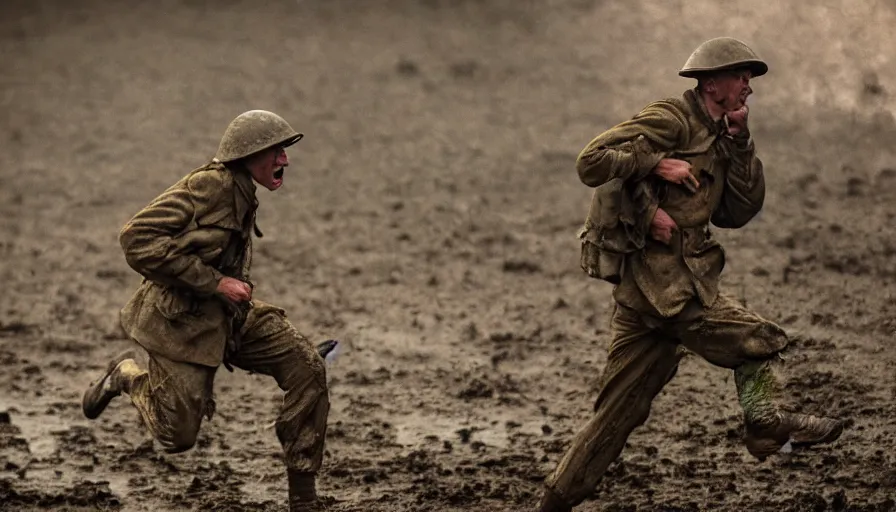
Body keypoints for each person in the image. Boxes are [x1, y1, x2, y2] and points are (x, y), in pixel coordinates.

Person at [537, 38, 846, 512]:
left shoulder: (722, 135)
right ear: (710, 82)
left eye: (750, 77)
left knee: (616, 416)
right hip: (669, 291)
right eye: (740, 75)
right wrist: (656, 163)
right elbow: (592, 162)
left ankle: (552, 504)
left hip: (647, 300)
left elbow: (738, 212)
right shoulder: (669, 118)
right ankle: (765, 426)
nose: (748, 85)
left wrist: (741, 144)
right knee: (762, 340)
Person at [81, 110, 336, 512]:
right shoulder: (209, 187)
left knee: (307, 368)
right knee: (177, 438)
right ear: (248, 154)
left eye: (284, 150)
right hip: (181, 323)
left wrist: (228, 290)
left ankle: (303, 498)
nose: (284, 160)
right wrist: (212, 282)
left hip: (231, 316)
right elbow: (136, 237)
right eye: (276, 151)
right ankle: (126, 377)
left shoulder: (244, 192)